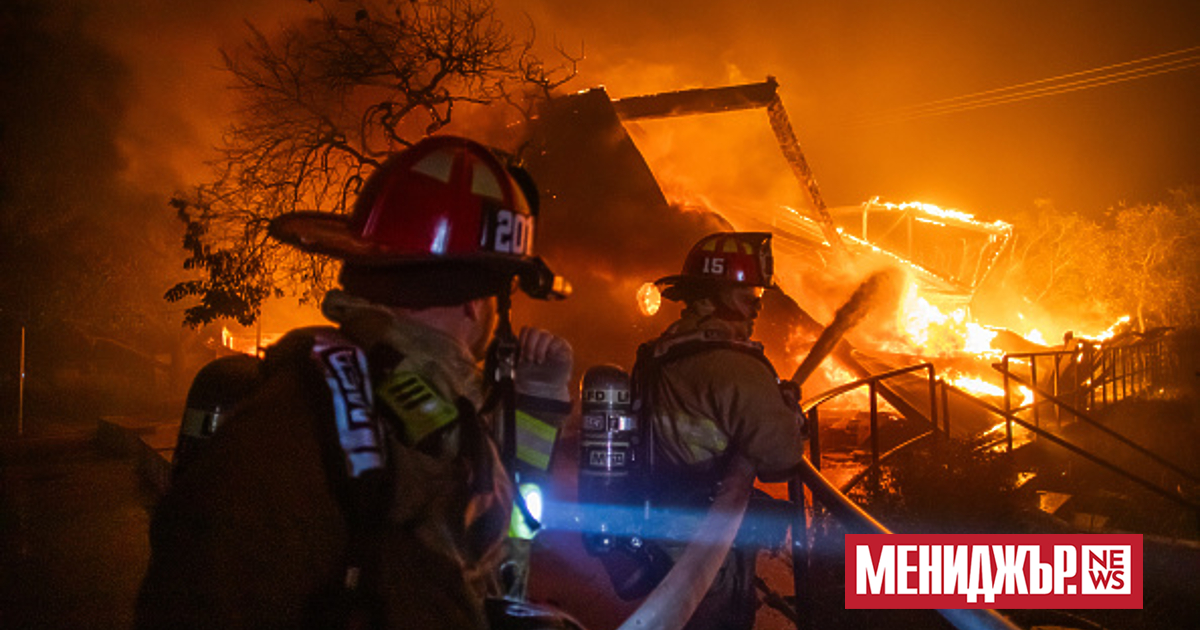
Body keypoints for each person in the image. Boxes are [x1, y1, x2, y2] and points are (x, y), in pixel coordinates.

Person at [136, 136, 577, 630]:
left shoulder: (407, 408)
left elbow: (496, 552)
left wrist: (538, 401)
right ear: (476, 303)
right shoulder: (321, 426)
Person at [633, 231, 806, 630]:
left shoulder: (666, 349)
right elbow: (782, 457)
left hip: (663, 523)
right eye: (748, 295)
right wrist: (789, 417)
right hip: (706, 536)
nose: (757, 306)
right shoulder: (733, 365)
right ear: (716, 296)